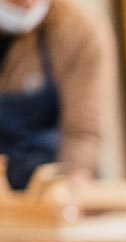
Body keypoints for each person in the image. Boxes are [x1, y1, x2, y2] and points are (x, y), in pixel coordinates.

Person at [0, 0, 105, 190]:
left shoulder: (77, 30)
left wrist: (74, 186)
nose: (28, 4)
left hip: (54, 181)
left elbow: (82, 132)